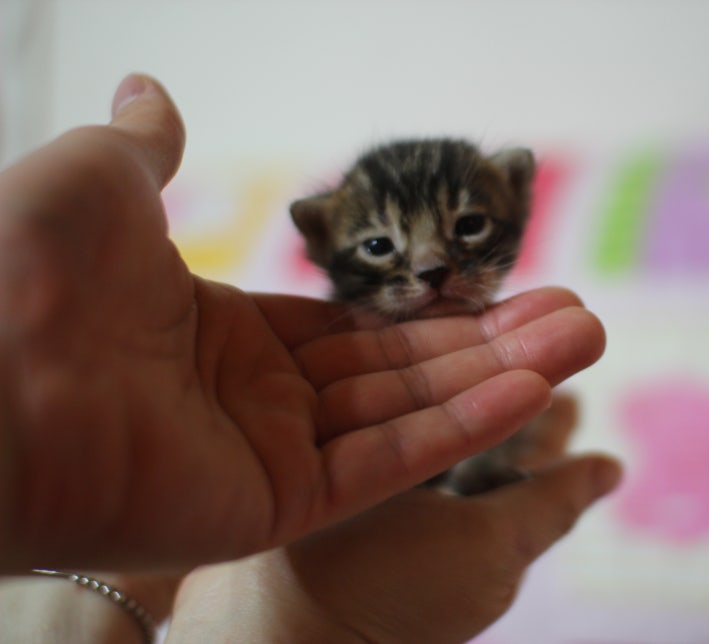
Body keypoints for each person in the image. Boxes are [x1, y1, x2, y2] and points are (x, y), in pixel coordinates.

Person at [0, 74, 621, 642]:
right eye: (379, 245)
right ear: (322, 240)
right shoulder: (310, 383)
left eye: (468, 227)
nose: (432, 267)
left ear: (515, 194)